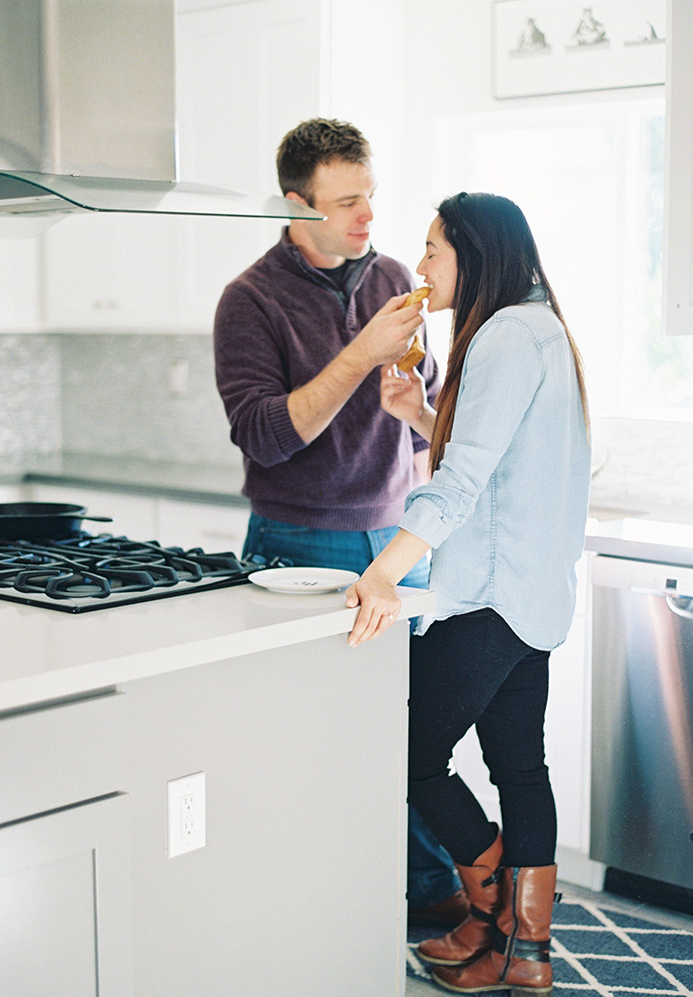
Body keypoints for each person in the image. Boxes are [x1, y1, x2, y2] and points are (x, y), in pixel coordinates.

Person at [213, 118, 467, 929]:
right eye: (347, 201)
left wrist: (413, 384)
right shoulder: (248, 301)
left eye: (371, 196)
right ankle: (318, 908)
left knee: (411, 737)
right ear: (296, 203)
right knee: (314, 746)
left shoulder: (393, 273)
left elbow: (415, 395)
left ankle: (425, 899)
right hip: (301, 542)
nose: (367, 216)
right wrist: (360, 352)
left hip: (399, 539)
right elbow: (265, 435)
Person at [344, 191, 591, 994]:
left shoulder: (503, 338)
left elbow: (460, 483)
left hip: (488, 598)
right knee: (520, 766)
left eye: (433, 248)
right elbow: (499, 466)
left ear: (474, 253)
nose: (420, 266)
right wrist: (418, 410)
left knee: (410, 754)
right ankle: (524, 954)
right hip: (531, 594)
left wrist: (384, 568)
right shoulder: (540, 326)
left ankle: (496, 921)